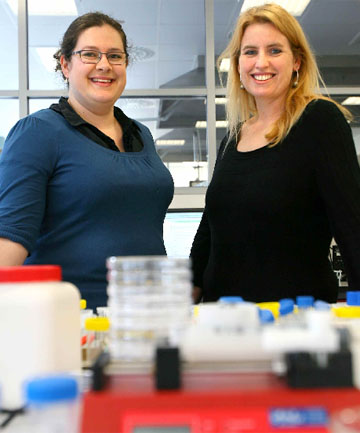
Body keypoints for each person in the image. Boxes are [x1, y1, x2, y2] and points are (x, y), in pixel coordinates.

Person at [0, 12, 174, 310]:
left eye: (115, 56)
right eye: (89, 54)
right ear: (65, 65)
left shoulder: (141, 133)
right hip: (73, 322)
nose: (104, 65)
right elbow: (9, 240)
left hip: (147, 315)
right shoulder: (38, 133)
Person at [190, 3, 360, 304]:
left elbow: (353, 225)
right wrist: (181, 306)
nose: (261, 62)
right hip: (221, 322)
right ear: (239, 63)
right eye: (250, 51)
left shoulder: (319, 121)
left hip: (295, 322)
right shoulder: (233, 137)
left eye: (275, 51)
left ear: (297, 61)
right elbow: (209, 233)